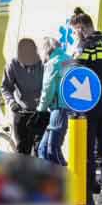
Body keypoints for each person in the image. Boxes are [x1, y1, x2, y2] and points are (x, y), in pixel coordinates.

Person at [68, 8, 102, 205]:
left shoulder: (86, 46)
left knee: (86, 152)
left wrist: (74, 51)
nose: (74, 35)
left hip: (88, 104)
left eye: (74, 31)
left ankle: (86, 197)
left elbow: (75, 74)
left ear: (80, 29)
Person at [2, 38, 46, 156]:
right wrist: (11, 103)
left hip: (41, 113)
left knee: (40, 149)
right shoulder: (12, 65)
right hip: (22, 113)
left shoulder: (43, 64)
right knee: (23, 150)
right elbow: (6, 87)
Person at [34, 35, 69, 165]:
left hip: (59, 108)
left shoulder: (52, 63)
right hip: (70, 108)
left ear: (45, 50)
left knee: (51, 149)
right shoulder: (70, 60)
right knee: (44, 149)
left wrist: (40, 109)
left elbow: (48, 89)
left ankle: (67, 179)